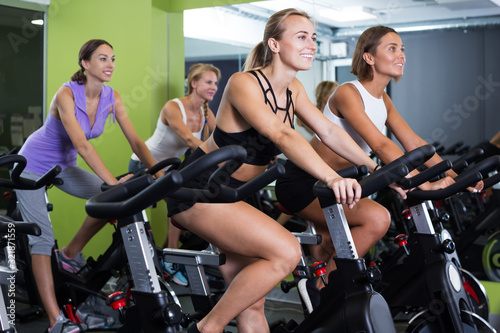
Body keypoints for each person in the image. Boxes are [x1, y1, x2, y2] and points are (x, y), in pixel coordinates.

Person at [166, 9, 397, 333]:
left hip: (234, 196)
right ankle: (206, 328)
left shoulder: (295, 90)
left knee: (251, 301)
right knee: (286, 251)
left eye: (313, 38)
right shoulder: (243, 83)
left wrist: (378, 168)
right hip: (199, 190)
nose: (312, 44)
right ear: (274, 44)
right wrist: (330, 176)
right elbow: (282, 134)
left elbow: (328, 132)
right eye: (301, 37)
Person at [275, 25, 479, 310]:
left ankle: (329, 297)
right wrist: (424, 184)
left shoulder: (383, 100)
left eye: (402, 49)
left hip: (341, 186)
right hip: (307, 182)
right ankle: (320, 288)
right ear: (369, 57)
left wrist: (459, 177)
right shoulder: (348, 92)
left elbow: (415, 143)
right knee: (377, 219)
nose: (401, 55)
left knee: (339, 245)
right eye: (392, 48)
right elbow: (381, 145)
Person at [15, 39, 159, 333]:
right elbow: (82, 145)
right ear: (85, 63)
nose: (110, 65)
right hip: (33, 164)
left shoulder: (113, 97)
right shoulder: (67, 93)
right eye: (103, 58)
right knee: (41, 240)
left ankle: (68, 255)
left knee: (110, 202)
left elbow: (135, 141)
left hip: (64, 166)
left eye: (113, 59)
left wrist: (157, 172)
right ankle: (57, 321)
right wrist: (112, 182)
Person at [128, 63, 219, 285]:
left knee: (181, 203)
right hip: (144, 163)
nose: (214, 87)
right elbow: (190, 140)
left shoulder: (206, 112)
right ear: (194, 83)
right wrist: (216, 158)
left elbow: (218, 138)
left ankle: (170, 257)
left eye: (216, 83)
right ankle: (170, 256)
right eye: (208, 82)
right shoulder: (173, 107)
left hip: (170, 167)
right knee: (177, 201)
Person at [276, 80, 338, 226]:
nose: (337, 96)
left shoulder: (330, 117)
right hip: (294, 164)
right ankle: (277, 225)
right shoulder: (311, 117)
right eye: (334, 92)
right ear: (325, 96)